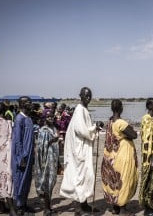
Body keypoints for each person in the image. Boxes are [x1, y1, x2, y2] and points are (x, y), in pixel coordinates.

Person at [59, 87, 104, 215]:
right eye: (86, 95)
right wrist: (94, 128)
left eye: (90, 95)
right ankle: (78, 209)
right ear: (81, 96)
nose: (88, 98)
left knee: (85, 175)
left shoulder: (84, 110)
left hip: (83, 148)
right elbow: (81, 130)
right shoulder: (79, 110)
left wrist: (94, 127)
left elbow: (84, 128)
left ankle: (84, 204)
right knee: (79, 177)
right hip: (79, 150)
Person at [101, 99, 138, 216]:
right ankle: (122, 209)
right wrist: (128, 136)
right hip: (122, 155)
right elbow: (134, 135)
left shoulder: (110, 121)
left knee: (114, 181)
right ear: (121, 108)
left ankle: (115, 207)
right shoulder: (121, 123)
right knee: (124, 180)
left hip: (111, 156)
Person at [11, 96, 35, 215]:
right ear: (22, 104)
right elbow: (17, 141)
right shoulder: (19, 119)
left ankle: (25, 204)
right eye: (28, 102)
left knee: (27, 180)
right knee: (20, 180)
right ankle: (20, 207)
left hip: (30, 155)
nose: (31, 104)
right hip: (23, 156)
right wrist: (21, 158)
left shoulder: (29, 118)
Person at [139, 97, 153, 216]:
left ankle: (150, 206)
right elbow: (148, 140)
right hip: (149, 158)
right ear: (149, 107)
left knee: (152, 182)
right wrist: (151, 158)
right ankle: (147, 209)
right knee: (148, 182)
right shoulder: (147, 120)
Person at [35, 109, 59, 216]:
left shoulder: (53, 128)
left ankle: (49, 207)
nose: (51, 118)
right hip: (46, 161)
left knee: (51, 183)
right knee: (46, 183)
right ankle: (46, 209)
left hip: (53, 160)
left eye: (52, 116)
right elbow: (40, 147)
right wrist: (52, 141)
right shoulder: (43, 130)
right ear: (44, 118)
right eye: (48, 117)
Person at [0, 102, 16, 215]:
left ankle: (1, 206)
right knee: (7, 176)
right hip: (8, 152)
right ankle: (11, 208)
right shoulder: (9, 122)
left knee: (0, 176)